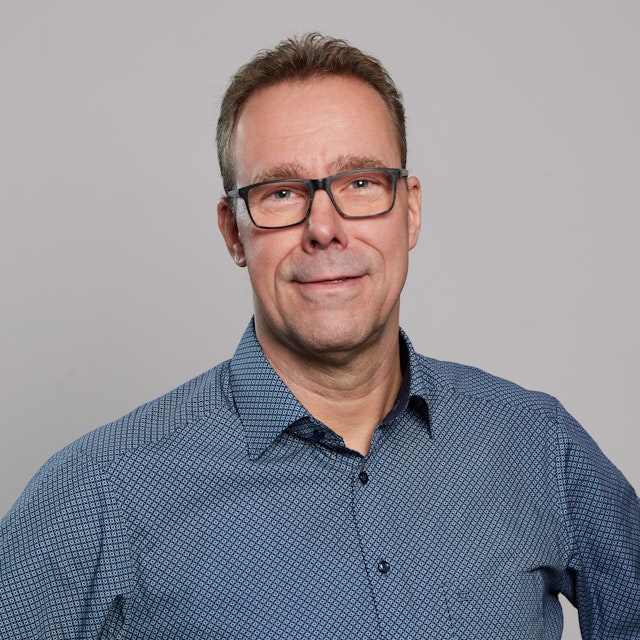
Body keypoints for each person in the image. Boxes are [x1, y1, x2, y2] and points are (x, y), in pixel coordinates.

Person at [1, 33, 638, 640]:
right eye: (281, 193)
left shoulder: (535, 444)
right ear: (233, 232)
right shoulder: (102, 489)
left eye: (360, 183)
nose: (325, 229)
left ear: (410, 210)